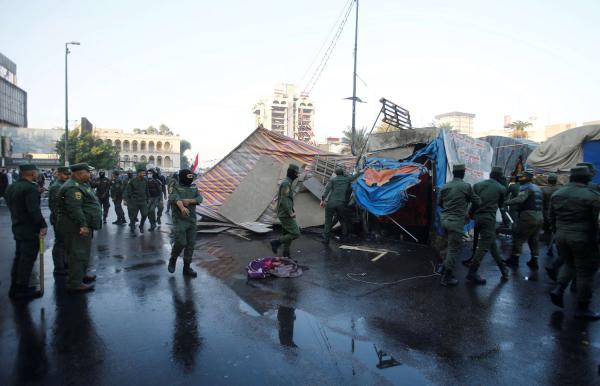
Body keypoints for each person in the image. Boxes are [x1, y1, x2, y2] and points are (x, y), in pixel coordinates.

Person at [549, 166, 600, 320]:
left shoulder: (558, 193)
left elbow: (551, 217)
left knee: (569, 263)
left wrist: (557, 233)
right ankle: (582, 308)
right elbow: (598, 222)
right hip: (583, 238)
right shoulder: (592, 196)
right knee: (586, 271)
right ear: (586, 178)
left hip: (561, 236)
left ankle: (558, 289)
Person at [5, 164, 47, 299]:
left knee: (19, 258)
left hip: (18, 225)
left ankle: (15, 287)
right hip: (29, 228)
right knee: (27, 259)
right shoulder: (30, 188)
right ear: (32, 173)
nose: (38, 173)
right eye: (36, 171)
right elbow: (33, 210)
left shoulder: (12, 187)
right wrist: (42, 224)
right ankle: (22, 289)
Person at [57, 163, 101, 293]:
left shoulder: (81, 185)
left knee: (83, 252)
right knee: (77, 254)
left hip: (83, 225)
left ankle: (80, 275)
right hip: (75, 227)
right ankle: (75, 283)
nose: (90, 174)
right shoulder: (72, 188)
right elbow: (74, 209)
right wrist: (82, 224)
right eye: (87, 172)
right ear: (78, 173)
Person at [466, 167, 509, 284]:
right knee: (484, 246)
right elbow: (501, 206)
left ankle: (503, 270)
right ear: (500, 177)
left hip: (477, 218)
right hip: (488, 220)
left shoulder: (478, 185)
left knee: (492, 244)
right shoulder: (501, 188)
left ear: (490, 174)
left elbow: (474, 202)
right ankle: (472, 272)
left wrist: (470, 214)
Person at [438, 164, 479, 286]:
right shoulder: (466, 186)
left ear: (454, 173)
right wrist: (468, 213)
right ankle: (446, 277)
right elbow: (478, 202)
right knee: (453, 249)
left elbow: (440, 203)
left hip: (444, 220)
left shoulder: (445, 186)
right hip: (456, 222)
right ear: (463, 173)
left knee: (446, 245)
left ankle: (443, 268)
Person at [503, 170, 543, 269]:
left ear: (526, 178)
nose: (520, 178)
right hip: (539, 216)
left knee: (518, 237)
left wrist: (506, 202)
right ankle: (534, 261)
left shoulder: (526, 187)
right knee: (534, 239)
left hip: (528, 216)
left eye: (521, 177)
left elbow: (520, 199)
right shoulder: (537, 188)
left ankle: (514, 260)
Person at [168, 169, 203, 277]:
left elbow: (200, 198)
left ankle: (186, 268)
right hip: (179, 220)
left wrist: (190, 201)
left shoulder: (194, 187)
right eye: (188, 176)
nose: (191, 177)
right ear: (183, 176)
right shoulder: (176, 187)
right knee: (181, 242)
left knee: (190, 244)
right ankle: (173, 258)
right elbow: (174, 198)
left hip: (191, 220)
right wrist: (182, 207)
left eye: (191, 176)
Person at [270, 164, 301, 259]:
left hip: (284, 212)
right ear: (292, 173)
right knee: (295, 233)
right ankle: (276, 242)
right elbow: (284, 199)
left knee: (287, 234)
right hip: (285, 213)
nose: (297, 175)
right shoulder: (286, 183)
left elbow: (283, 197)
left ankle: (286, 255)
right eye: (296, 173)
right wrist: (290, 212)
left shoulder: (287, 182)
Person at [320, 165, 356, 244]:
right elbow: (354, 177)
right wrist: (363, 170)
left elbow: (327, 190)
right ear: (343, 173)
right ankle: (345, 237)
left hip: (331, 203)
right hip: (341, 203)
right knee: (342, 220)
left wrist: (322, 200)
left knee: (328, 222)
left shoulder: (333, 180)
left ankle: (326, 239)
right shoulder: (347, 180)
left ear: (336, 173)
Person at [48, 166, 71, 276]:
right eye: (65, 174)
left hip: (64, 219)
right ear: (59, 174)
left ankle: (64, 263)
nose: (68, 176)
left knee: (65, 242)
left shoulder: (63, 185)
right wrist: (60, 220)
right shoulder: (57, 187)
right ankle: (59, 267)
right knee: (59, 243)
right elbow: (55, 206)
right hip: (59, 219)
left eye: (68, 174)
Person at [125, 165, 149, 234]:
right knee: (133, 216)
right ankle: (132, 229)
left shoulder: (145, 180)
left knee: (145, 214)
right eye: (142, 173)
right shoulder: (132, 181)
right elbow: (128, 191)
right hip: (134, 201)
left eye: (144, 173)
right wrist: (129, 199)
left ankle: (141, 226)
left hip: (143, 201)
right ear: (138, 173)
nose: (144, 174)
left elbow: (147, 190)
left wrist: (148, 199)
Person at [541, 173, 559, 248]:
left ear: (548, 180)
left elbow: (542, 204)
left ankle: (549, 246)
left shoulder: (544, 189)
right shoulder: (560, 189)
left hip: (546, 213)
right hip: (557, 213)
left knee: (547, 230)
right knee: (557, 231)